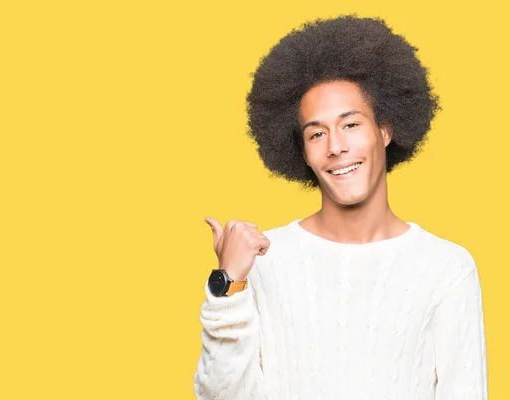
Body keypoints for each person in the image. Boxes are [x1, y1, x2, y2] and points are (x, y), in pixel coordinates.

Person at [193, 15, 488, 400]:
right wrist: (228, 284)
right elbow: (220, 396)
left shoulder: (447, 269)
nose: (335, 146)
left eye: (350, 125)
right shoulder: (262, 260)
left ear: (384, 130)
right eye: (317, 133)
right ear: (303, 151)